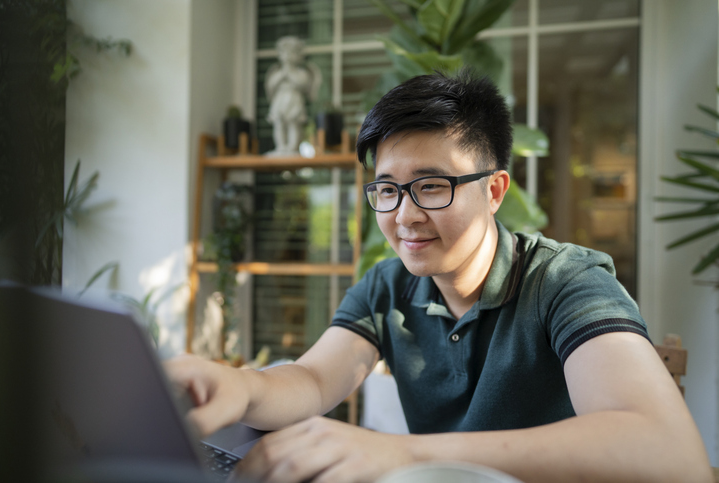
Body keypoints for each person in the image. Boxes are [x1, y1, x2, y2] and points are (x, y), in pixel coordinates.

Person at [166, 71, 712, 482]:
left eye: (431, 186)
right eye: (386, 189)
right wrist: (238, 385)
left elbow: (670, 453)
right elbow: (312, 381)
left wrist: (403, 452)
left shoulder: (566, 281)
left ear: (494, 191)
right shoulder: (388, 287)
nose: (404, 215)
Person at [264, 36, 321, 156]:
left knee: (293, 124)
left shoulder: (301, 73)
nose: (288, 56)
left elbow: (302, 84)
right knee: (279, 123)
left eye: (292, 53)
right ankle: (281, 146)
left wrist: (289, 73)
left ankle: (292, 147)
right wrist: (283, 73)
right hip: (280, 100)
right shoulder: (277, 72)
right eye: (285, 53)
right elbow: (271, 85)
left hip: (294, 100)